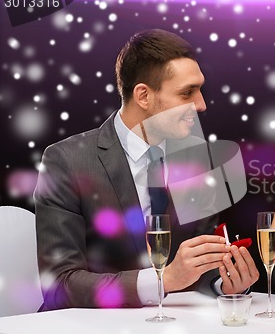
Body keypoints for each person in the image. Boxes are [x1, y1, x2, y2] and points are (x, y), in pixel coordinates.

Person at [33, 29, 259, 311]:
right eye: (187, 93)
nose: (201, 105)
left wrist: (225, 283)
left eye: (200, 90)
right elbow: (59, 284)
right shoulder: (66, 161)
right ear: (143, 96)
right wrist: (162, 281)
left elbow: (198, 269)